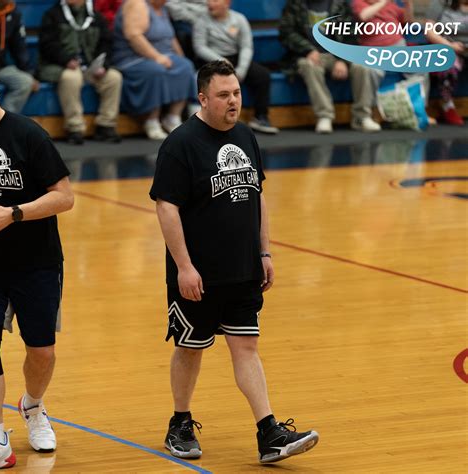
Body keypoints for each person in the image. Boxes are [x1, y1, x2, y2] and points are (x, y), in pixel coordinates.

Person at [150, 60, 319, 463]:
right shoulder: (180, 144)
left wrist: (264, 251)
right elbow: (166, 208)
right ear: (203, 97)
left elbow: (257, 196)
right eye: (223, 95)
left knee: (246, 346)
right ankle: (180, 423)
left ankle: (269, 433)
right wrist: (185, 267)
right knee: (191, 347)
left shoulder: (245, 135)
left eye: (237, 93)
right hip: (199, 274)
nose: (233, 101)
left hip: (243, 269)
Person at [0, 77, 74, 468]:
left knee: (41, 350)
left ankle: (34, 405)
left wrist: (13, 214)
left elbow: (65, 196)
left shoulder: (28, 135)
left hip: (36, 260)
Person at [279, 0, 381, 133]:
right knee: (308, 66)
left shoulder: (340, 3)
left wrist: (342, 59)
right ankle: (325, 116)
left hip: (337, 53)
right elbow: (286, 32)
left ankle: (362, 117)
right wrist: (307, 49)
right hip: (309, 55)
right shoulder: (295, 4)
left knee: (362, 67)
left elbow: (351, 34)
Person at [38, 0, 122, 145]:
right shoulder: (52, 15)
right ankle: (74, 127)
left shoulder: (95, 16)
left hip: (90, 66)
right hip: (60, 65)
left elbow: (106, 42)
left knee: (114, 77)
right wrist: (66, 60)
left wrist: (103, 64)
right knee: (71, 78)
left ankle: (106, 125)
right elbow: (47, 44)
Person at [112, 0, 196, 140]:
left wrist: (181, 57)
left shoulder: (162, 9)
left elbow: (171, 37)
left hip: (163, 55)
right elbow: (134, 36)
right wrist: (157, 57)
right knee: (155, 70)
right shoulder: (136, 4)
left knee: (186, 67)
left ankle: (172, 118)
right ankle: (151, 121)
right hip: (133, 58)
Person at [193, 0, 279, 134]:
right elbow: (200, 47)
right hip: (211, 59)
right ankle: (209, 119)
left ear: (227, 3)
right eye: (209, 0)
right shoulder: (201, 21)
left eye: (215, 1)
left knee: (262, 75)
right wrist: (221, 60)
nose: (210, 4)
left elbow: (246, 46)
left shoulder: (239, 19)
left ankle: (260, 117)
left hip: (236, 58)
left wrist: (241, 70)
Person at [425, 0, 467, 125]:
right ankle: (447, 105)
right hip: (446, 47)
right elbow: (429, 31)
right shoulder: (440, 4)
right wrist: (450, 45)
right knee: (449, 62)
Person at [0, 0, 39, 114]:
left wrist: (28, 72)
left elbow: (19, 47)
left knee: (25, 82)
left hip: (0, 67)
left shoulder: (14, 13)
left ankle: (2, 125)